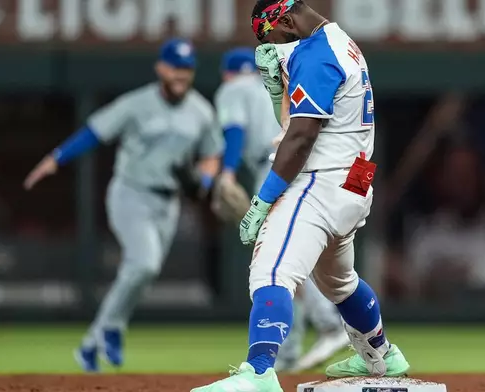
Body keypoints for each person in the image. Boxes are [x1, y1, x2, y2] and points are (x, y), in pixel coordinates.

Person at [191, 1, 409, 391]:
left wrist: (263, 200)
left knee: (271, 271)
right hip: (355, 182)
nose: (272, 46)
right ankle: (381, 355)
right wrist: (279, 93)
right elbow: (300, 124)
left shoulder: (316, 54)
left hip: (319, 182)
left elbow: (302, 137)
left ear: (287, 21)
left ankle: (258, 373)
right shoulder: (340, 41)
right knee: (339, 282)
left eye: (270, 35)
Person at [23, 38, 223, 373]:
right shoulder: (136, 103)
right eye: (175, 67)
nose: (180, 75)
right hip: (131, 193)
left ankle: (92, 342)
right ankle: (111, 329)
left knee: (143, 270)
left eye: (186, 69)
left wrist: (204, 180)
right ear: (161, 67)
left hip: (169, 203)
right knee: (143, 264)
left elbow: (212, 155)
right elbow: (94, 132)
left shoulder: (201, 111)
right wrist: (56, 158)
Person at [215, 47, 349, 372]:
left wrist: (228, 171)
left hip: (274, 168)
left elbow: (235, 132)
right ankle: (288, 352)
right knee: (291, 260)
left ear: (227, 73)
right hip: (307, 164)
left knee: (279, 258)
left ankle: (330, 325)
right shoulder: (276, 85)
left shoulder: (232, 89)